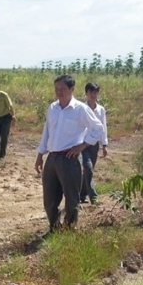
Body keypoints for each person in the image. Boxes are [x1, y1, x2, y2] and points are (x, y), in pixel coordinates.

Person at [35, 75, 104, 233]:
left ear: (72, 89)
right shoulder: (53, 108)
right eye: (56, 89)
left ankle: (69, 229)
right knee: (49, 198)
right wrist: (40, 155)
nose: (59, 92)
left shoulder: (80, 109)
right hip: (52, 158)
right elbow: (47, 132)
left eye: (63, 89)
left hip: (69, 159)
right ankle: (54, 228)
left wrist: (82, 145)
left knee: (72, 198)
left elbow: (98, 128)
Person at [80, 82, 108, 204]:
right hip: (83, 144)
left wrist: (104, 145)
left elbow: (103, 127)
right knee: (88, 168)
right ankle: (94, 197)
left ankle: (81, 195)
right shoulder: (81, 108)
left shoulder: (101, 110)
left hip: (95, 145)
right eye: (90, 92)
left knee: (88, 171)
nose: (93, 94)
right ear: (86, 93)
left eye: (95, 92)